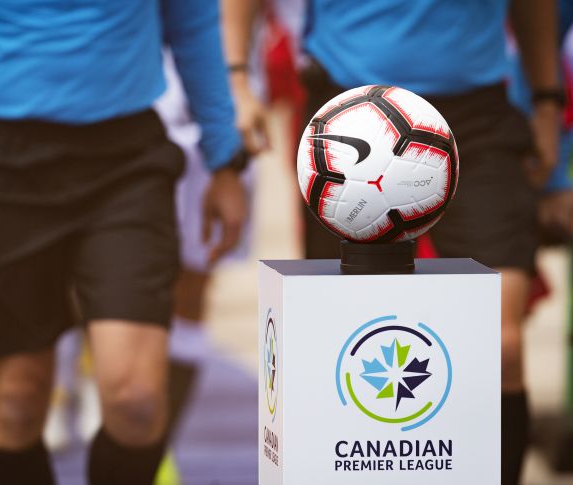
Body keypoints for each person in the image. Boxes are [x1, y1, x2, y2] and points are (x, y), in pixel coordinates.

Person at [0, 1, 248, 484]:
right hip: (0, 168)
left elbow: (192, 21)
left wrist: (224, 158)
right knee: (17, 404)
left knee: (135, 403)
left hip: (126, 163)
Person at [224, 1, 560, 484]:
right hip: (351, 118)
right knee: (338, 339)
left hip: (477, 114)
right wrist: (238, 79)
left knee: (501, 345)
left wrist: (547, 99)